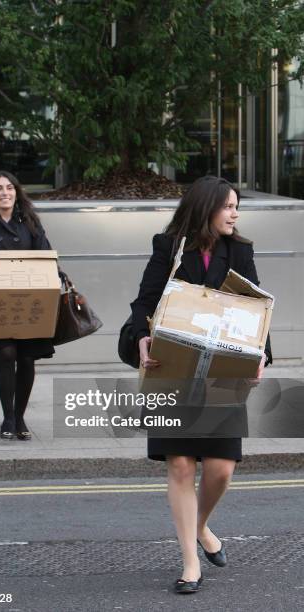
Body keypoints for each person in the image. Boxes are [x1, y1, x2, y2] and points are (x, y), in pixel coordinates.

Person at [130, 175, 272, 594]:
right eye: (228, 206)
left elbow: (255, 308)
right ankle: (191, 564)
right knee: (179, 465)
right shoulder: (168, 247)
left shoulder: (240, 250)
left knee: (221, 470)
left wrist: (261, 353)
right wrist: (140, 337)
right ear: (207, 207)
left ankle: (201, 526)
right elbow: (145, 302)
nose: (235, 213)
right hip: (173, 371)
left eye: (236, 206)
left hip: (222, 374)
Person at [0, 170, 58, 441]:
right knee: (5, 354)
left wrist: (56, 275)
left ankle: (20, 416)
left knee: (27, 358)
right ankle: (7, 417)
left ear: (17, 192)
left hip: (30, 303)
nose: (5, 193)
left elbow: (46, 253)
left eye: (9, 188)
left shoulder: (29, 222)